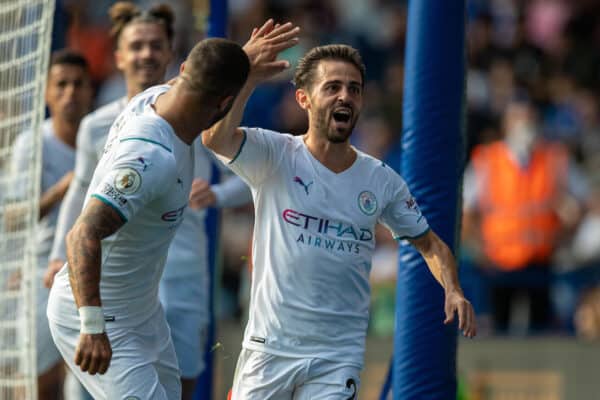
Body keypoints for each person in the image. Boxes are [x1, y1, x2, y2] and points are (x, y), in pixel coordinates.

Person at [202, 34, 477, 398]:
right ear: (304, 98)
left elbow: (430, 244)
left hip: (337, 356)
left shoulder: (380, 180)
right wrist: (249, 77)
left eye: (354, 89)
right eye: (332, 87)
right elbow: (214, 138)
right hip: (270, 347)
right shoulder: (275, 153)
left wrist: (454, 290)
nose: (345, 96)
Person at [46, 23, 299, 399]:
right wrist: (92, 325)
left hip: (142, 311)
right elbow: (82, 233)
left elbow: (210, 79)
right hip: (99, 313)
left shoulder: (156, 96)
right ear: (223, 104)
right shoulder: (151, 156)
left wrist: (242, 63)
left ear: (182, 71)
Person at [462, 98, 588, 333]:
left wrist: (565, 237)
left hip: (540, 262)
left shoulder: (554, 158)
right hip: (498, 265)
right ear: (506, 124)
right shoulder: (488, 160)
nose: (525, 124)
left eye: (529, 118)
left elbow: (583, 201)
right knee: (499, 331)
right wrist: (478, 248)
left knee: (541, 331)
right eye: (518, 118)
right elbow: (468, 211)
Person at [10, 49, 93, 400]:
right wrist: (67, 186)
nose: (70, 93)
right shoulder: (32, 144)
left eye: (78, 84)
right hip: (44, 270)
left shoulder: (104, 137)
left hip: (94, 271)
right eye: (61, 85)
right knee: (40, 381)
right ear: (46, 92)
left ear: (90, 90)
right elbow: (15, 215)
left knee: (88, 377)